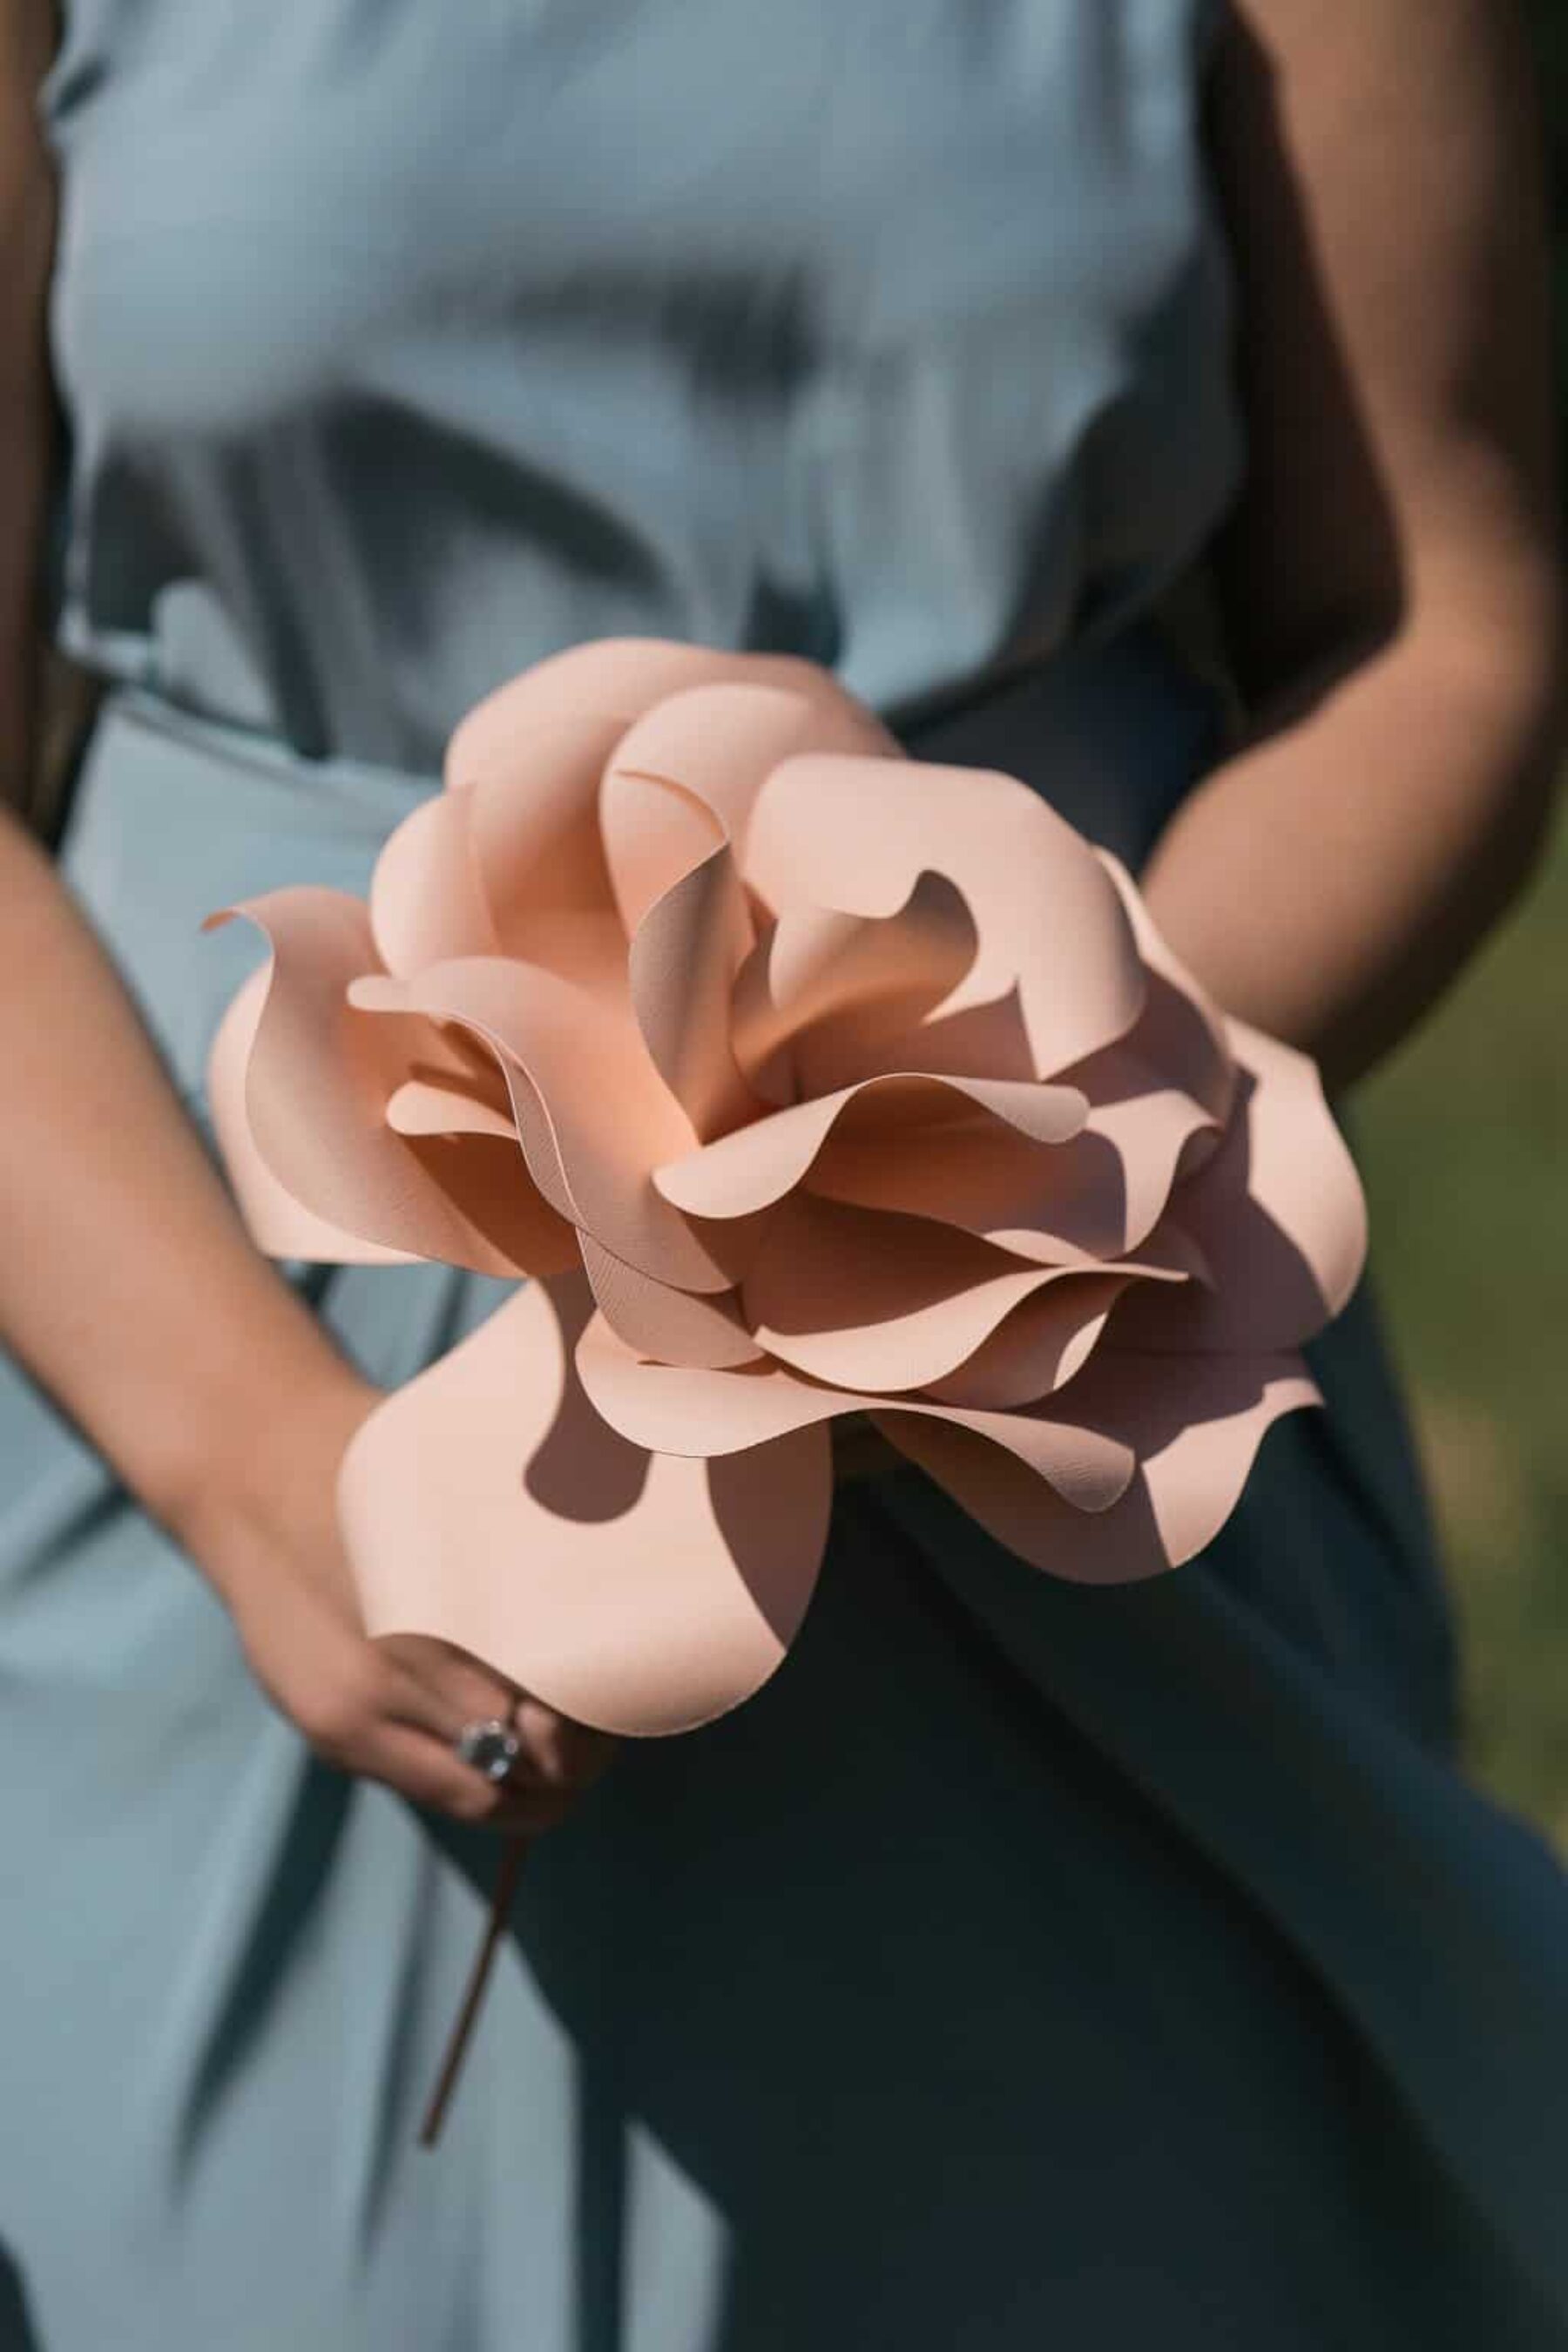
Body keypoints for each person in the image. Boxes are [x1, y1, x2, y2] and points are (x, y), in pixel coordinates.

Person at [1, 1, 1565, 2345]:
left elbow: (1442, 622)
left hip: (1058, 1343)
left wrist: (958, 1153)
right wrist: (278, 1478)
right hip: (219, 1391)